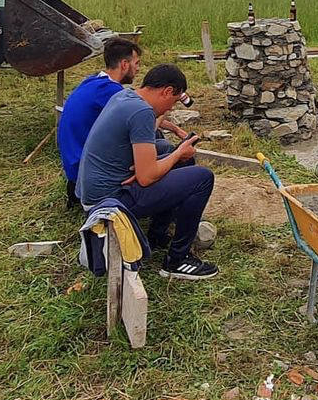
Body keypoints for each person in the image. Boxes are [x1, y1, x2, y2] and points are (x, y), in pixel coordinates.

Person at [77, 64, 217, 280]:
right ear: (167, 91)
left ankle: (157, 235)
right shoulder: (141, 112)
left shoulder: (125, 97)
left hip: (96, 193)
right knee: (202, 177)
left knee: (167, 152)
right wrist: (179, 153)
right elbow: (147, 177)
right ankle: (177, 261)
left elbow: (136, 157)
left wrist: (164, 160)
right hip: (109, 204)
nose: (170, 109)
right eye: (173, 101)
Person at [57, 38, 189, 208]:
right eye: (137, 63)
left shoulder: (95, 82)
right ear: (125, 64)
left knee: (158, 142)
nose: (138, 69)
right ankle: (169, 203)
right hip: (88, 173)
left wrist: (175, 128)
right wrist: (164, 110)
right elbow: (143, 124)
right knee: (163, 146)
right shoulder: (113, 93)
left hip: (76, 164)